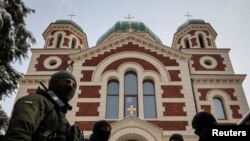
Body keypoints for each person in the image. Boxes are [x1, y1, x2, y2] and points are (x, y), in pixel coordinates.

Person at [4, 70, 84, 141]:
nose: (70, 86)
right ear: (55, 83)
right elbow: (19, 132)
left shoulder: (62, 117)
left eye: (74, 85)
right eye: (67, 81)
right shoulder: (36, 100)